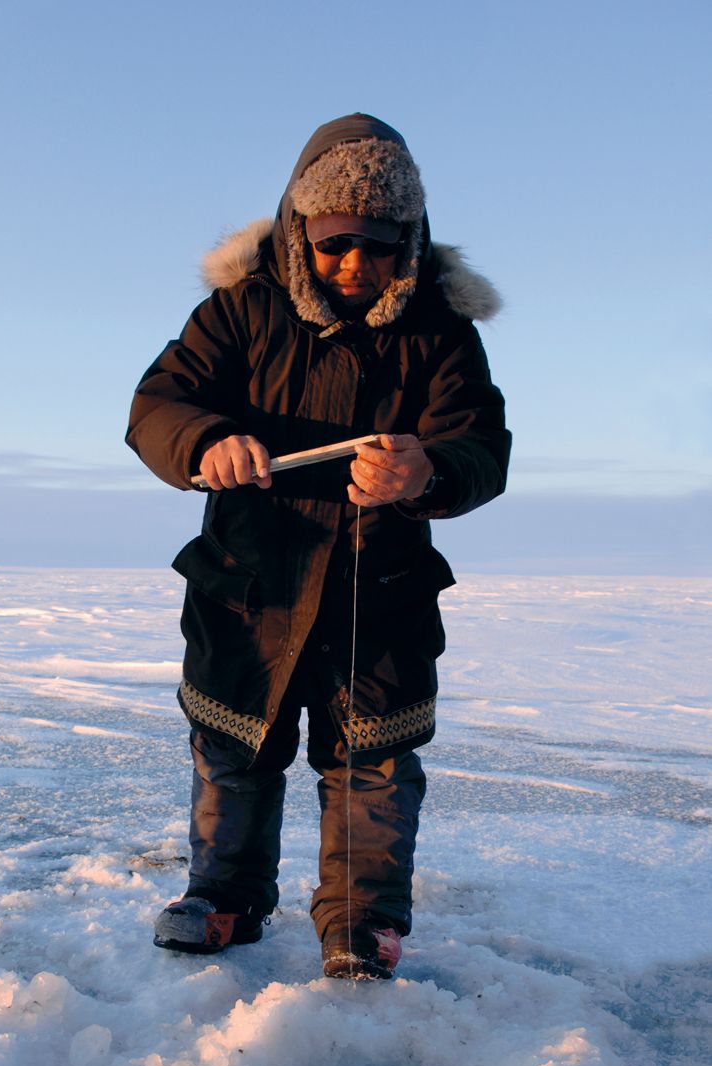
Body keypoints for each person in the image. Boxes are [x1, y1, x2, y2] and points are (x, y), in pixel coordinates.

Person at [126, 113, 510, 979]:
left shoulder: (442, 334)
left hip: (383, 590)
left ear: (408, 242)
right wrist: (205, 442)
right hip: (250, 582)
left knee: (370, 762)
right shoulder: (239, 312)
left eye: (377, 245)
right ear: (301, 230)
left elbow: (482, 449)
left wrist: (427, 469)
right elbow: (157, 406)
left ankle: (359, 925)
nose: (353, 264)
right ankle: (222, 901)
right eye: (336, 242)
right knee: (234, 750)